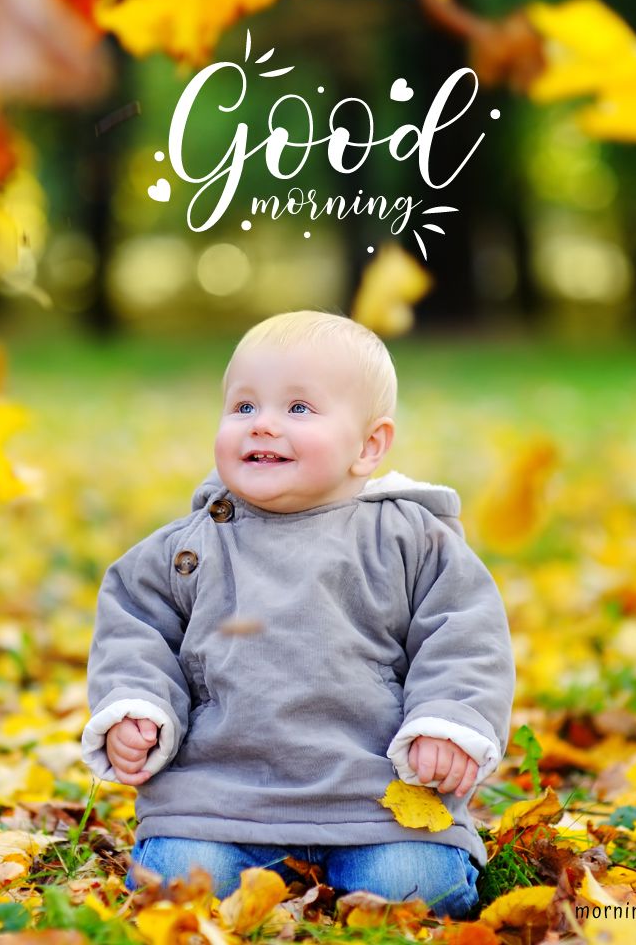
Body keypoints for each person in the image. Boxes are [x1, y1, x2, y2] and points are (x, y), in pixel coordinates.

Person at [81, 311, 514, 917]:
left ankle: (394, 873)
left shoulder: (409, 538)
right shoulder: (191, 546)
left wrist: (449, 721)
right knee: (175, 887)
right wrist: (138, 704)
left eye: (299, 410)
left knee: (416, 889)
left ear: (368, 446)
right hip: (222, 798)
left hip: (374, 800)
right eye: (243, 407)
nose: (263, 427)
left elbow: (465, 634)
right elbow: (137, 627)